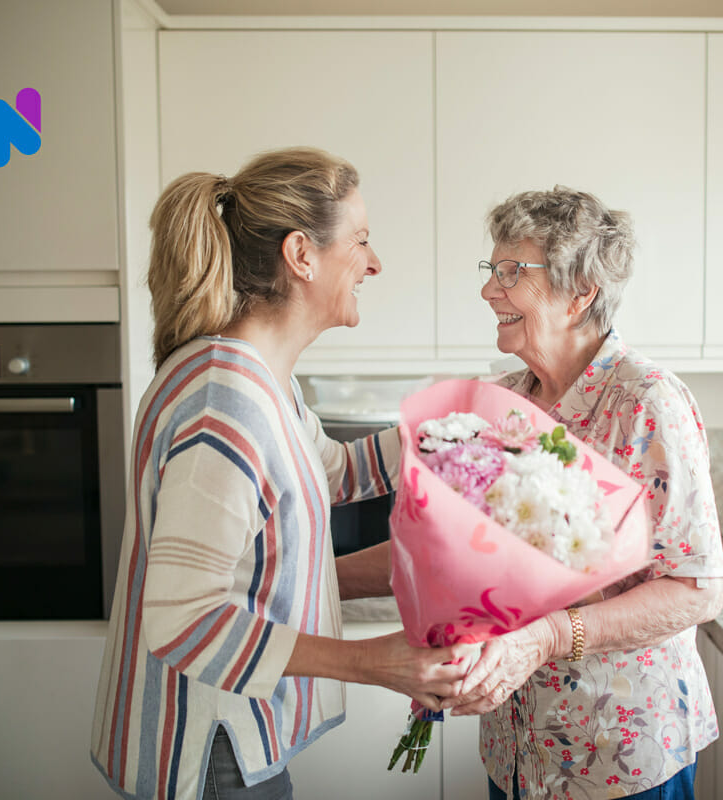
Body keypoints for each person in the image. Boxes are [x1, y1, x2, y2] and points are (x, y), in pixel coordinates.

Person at [90, 146, 475, 800]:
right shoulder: (226, 404)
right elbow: (182, 619)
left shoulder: (261, 380)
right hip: (205, 749)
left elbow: (330, 475)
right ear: (302, 255)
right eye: (360, 241)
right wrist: (371, 663)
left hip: (228, 737)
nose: (375, 263)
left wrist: (463, 418)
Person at [441, 186, 723, 800]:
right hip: (516, 751)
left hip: (617, 758)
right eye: (492, 271)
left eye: (512, 272)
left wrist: (548, 635)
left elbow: (696, 589)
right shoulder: (503, 403)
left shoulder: (647, 403)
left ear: (580, 294)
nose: (490, 290)